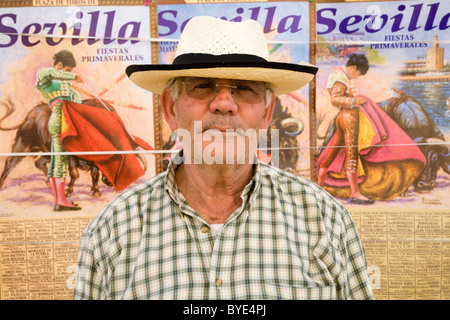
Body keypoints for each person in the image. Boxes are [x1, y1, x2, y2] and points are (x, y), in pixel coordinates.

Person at [74, 16, 375, 300]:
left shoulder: (325, 221)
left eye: (244, 88)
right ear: (169, 109)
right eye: (203, 86)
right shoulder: (112, 231)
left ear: (267, 114)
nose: (224, 104)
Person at [317, 55, 426, 202]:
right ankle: (355, 193)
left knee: (331, 153)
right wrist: (354, 101)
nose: (357, 77)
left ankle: (318, 189)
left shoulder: (339, 74)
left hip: (344, 117)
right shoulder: (340, 76)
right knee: (351, 156)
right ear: (354, 68)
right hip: (349, 118)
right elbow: (335, 99)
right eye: (357, 74)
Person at [35, 50, 83, 211]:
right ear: (60, 65)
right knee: (60, 161)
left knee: (56, 161)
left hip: (63, 120)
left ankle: (59, 201)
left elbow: (76, 100)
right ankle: (61, 201)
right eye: (68, 69)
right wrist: (71, 77)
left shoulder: (63, 84)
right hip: (59, 121)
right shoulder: (45, 75)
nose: (69, 73)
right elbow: (49, 72)